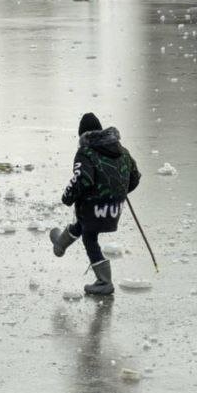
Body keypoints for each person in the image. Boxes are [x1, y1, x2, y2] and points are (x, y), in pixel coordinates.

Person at [49, 113, 141, 297]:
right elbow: (135, 177)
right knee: (83, 225)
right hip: (114, 207)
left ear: (82, 134)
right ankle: (60, 244)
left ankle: (104, 282)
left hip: (93, 206)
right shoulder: (122, 150)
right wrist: (118, 193)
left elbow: (82, 179)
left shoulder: (85, 152)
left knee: (89, 236)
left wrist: (67, 198)